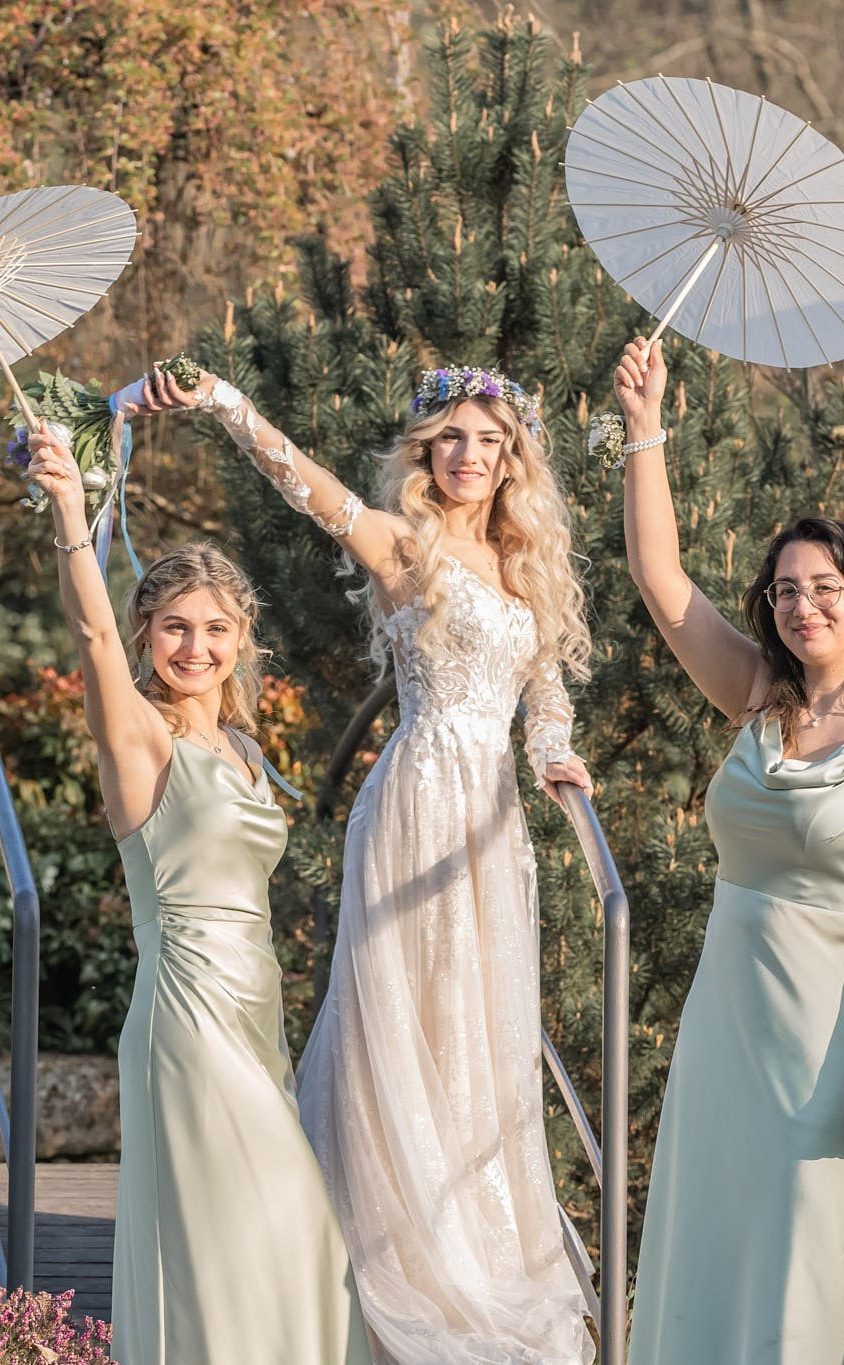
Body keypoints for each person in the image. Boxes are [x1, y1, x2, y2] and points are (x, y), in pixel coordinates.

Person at [130, 362, 596, 1363]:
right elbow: (299, 479)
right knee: (399, 1018)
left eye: (490, 441)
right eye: (452, 439)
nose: (471, 457)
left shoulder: (524, 568)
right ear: (425, 453)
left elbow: (542, 685)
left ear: (512, 458)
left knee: (476, 1025)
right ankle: (378, 1250)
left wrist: (554, 751)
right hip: (419, 798)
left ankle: (474, 1245)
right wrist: (222, 403)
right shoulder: (403, 547)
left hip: (493, 819)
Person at [608, 337, 844, 1364]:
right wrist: (643, 430)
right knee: (710, 1255)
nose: (800, 606)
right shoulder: (753, 701)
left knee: (804, 1270)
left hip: (830, 1047)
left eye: (824, 590)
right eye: (784, 591)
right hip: (726, 1031)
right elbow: (657, 572)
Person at [26, 431, 365, 1365]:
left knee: (276, 1239)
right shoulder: (140, 742)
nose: (195, 646)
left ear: (241, 641)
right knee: (272, 1226)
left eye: (216, 629)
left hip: (257, 1013)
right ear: (146, 635)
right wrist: (69, 509)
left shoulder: (249, 754)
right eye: (174, 625)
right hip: (186, 1013)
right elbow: (90, 632)